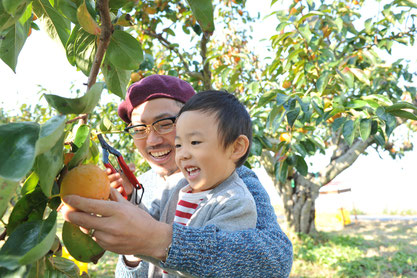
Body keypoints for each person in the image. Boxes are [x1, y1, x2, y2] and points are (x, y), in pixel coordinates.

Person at [61, 75, 293, 278]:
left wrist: (159, 240)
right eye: (139, 129)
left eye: (164, 123)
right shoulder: (147, 183)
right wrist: (131, 241)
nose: (152, 140)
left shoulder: (237, 179)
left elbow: (276, 261)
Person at [135, 90, 258, 277]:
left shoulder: (236, 203)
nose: (183, 154)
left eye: (195, 142)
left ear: (236, 147)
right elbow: (150, 224)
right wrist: (127, 202)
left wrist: (140, 239)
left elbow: (209, 263)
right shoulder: (175, 186)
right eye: (179, 145)